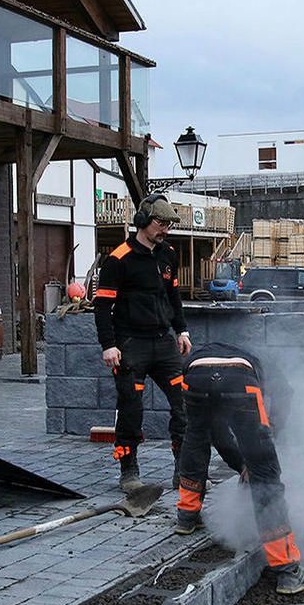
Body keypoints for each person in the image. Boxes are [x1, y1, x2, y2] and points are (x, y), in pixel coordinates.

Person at [173, 341, 304, 595]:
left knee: (195, 441)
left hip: (194, 375)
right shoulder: (263, 364)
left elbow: (217, 435)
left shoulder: (213, 355)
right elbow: (285, 396)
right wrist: (266, 443)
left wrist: (241, 463)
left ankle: (187, 517)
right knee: (265, 472)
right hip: (238, 382)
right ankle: (288, 570)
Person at [94, 194, 191, 490]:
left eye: (168, 224)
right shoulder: (119, 259)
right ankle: (129, 471)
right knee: (131, 407)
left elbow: (173, 296)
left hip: (163, 343)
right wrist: (108, 345)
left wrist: (182, 331)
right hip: (130, 345)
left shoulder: (168, 255)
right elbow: (101, 306)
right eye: (160, 223)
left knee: (184, 403)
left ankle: (183, 470)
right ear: (143, 221)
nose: (165, 230)